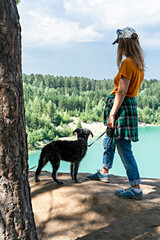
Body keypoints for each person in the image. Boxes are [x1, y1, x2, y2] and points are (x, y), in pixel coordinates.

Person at [87, 27, 145, 200]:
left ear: (124, 43)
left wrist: (112, 114)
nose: (118, 47)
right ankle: (104, 171)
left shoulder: (128, 62)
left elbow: (121, 91)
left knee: (124, 148)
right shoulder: (138, 63)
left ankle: (135, 187)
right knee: (109, 138)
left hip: (121, 107)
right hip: (127, 106)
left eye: (119, 43)